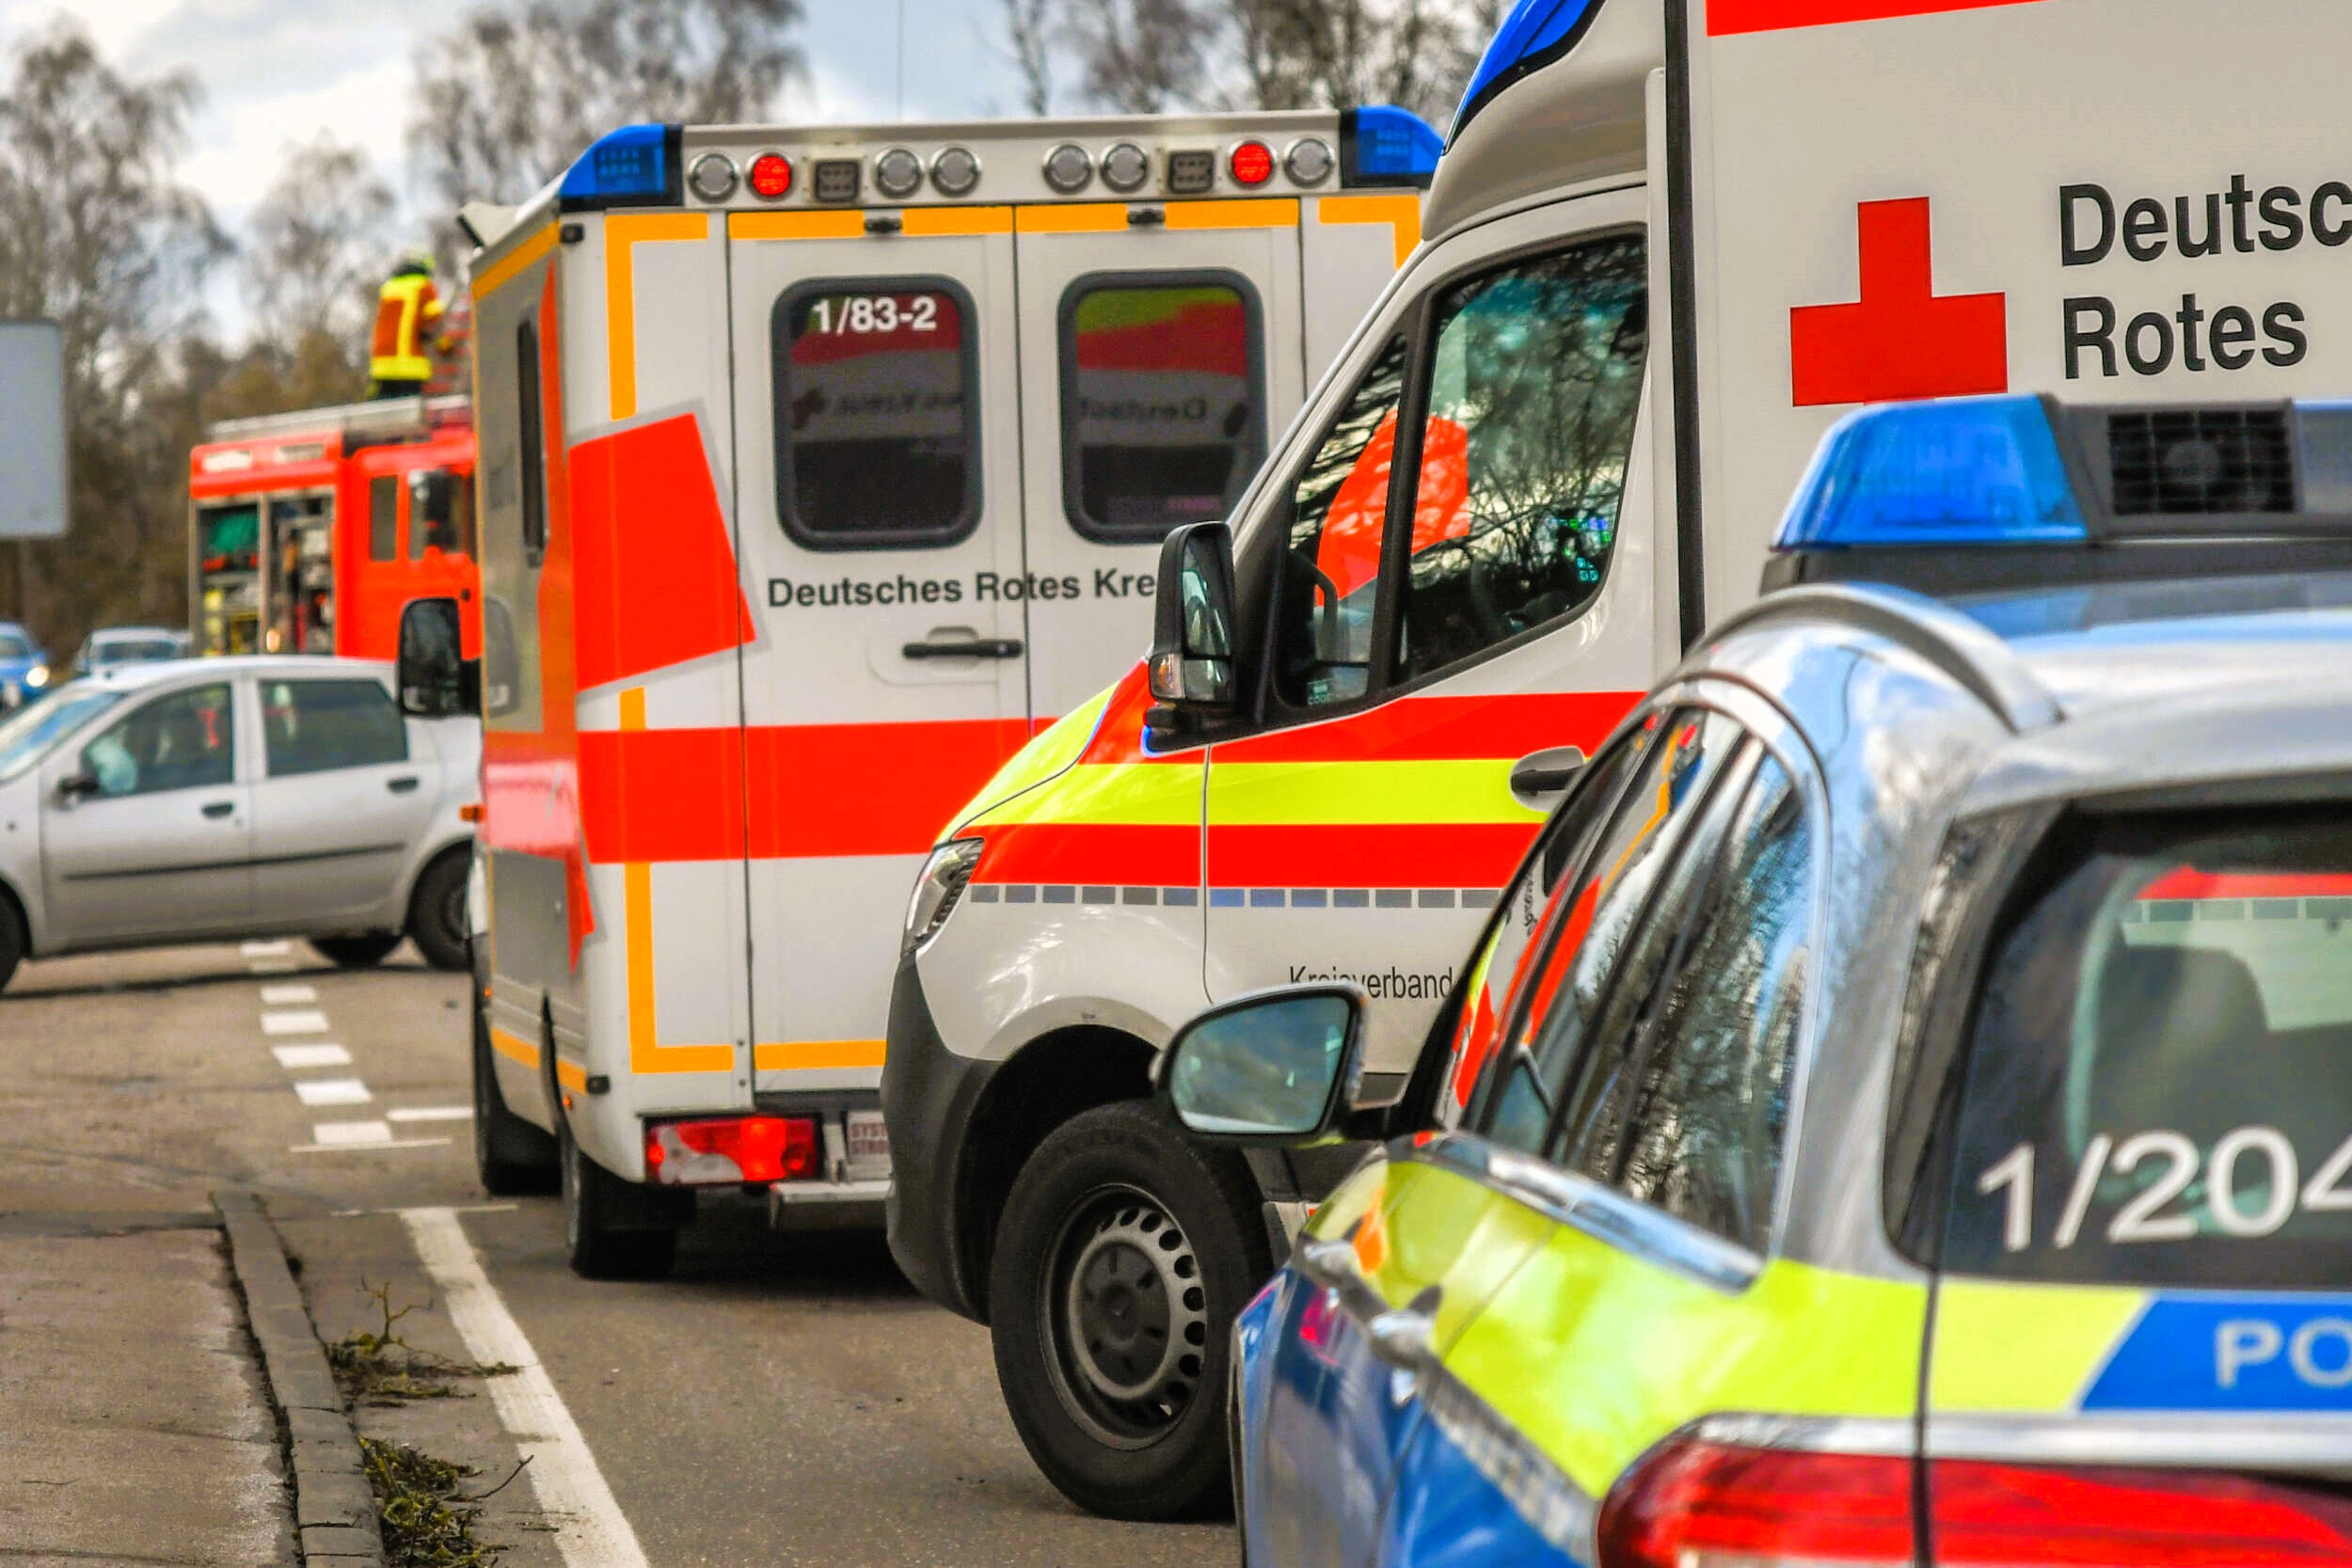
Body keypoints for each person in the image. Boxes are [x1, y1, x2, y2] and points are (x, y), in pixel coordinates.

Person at [369, 248, 448, 400]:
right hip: (409, 363)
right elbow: (435, 322)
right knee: (411, 415)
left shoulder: (389, 287)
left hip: (381, 365)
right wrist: (445, 347)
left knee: (387, 416)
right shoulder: (423, 286)